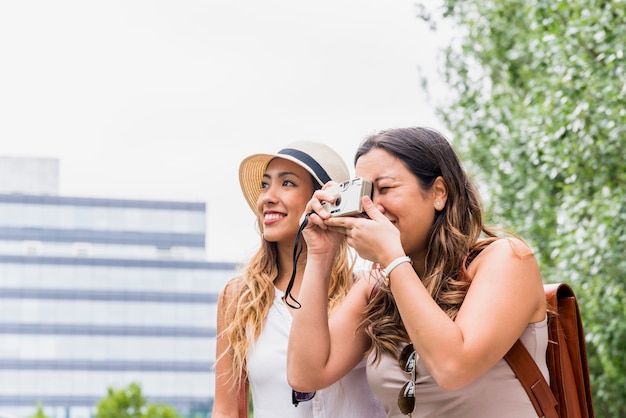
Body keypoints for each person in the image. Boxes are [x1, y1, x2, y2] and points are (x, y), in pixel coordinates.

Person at [287, 127, 548, 417]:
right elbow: (306, 375)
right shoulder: (377, 286)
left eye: (385, 189)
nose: (371, 207)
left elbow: (453, 369)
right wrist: (320, 255)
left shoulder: (507, 259)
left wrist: (393, 258)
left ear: (439, 193)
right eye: (365, 193)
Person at [212, 141, 385, 418]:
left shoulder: (367, 291)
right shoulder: (238, 297)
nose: (268, 196)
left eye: (288, 183)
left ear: (331, 200)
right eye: (265, 185)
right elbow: (227, 410)